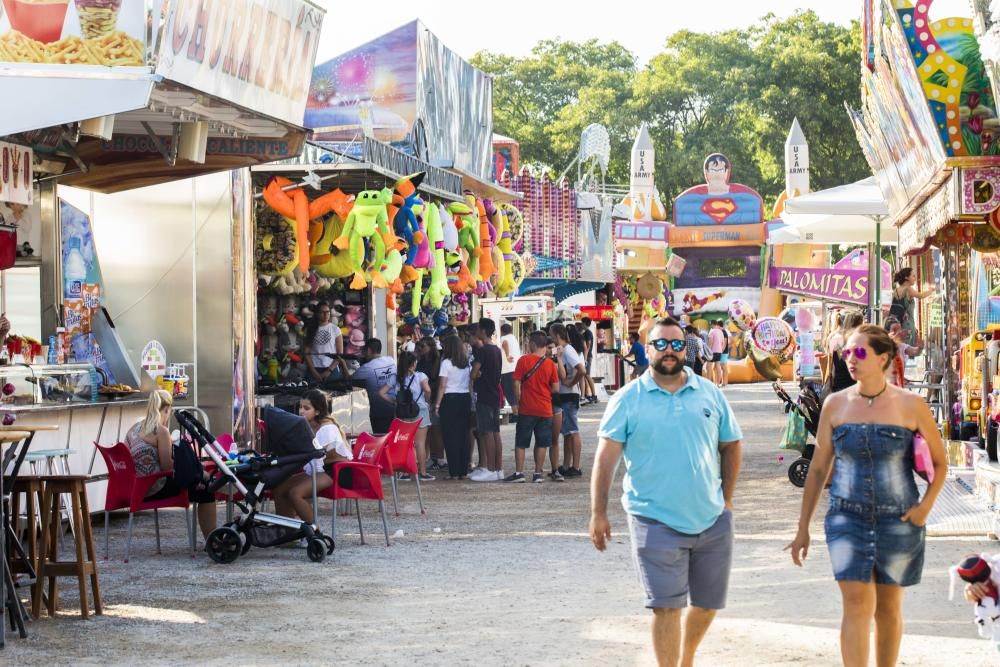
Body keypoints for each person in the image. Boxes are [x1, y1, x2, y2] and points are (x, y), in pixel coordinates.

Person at [786, 324, 947, 667]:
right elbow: (817, 470)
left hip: (900, 519)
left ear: (883, 358)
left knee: (888, 607)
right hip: (847, 518)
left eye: (858, 352)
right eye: (847, 352)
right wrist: (803, 528)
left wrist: (924, 509)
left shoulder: (911, 405)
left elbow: (940, 463)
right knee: (857, 604)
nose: (850, 359)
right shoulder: (835, 404)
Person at [590, 317, 743, 667]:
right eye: (661, 344)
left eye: (676, 344)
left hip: (712, 517)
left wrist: (727, 499)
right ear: (647, 347)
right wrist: (599, 513)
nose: (669, 351)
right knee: (666, 606)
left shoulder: (709, 392)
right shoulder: (628, 399)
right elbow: (606, 458)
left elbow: (731, 445)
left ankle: (686, 656)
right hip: (653, 517)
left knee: (707, 605)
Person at [126, 390, 217, 538]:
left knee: (198, 480)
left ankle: (201, 478)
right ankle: (213, 538)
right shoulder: (160, 431)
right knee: (206, 489)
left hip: (136, 488)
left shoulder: (133, 429)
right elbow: (167, 467)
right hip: (154, 488)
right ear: (167, 410)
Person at [272, 389, 352, 528]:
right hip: (320, 469)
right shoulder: (308, 426)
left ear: (317, 411)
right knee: (279, 489)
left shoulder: (327, 428)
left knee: (295, 493)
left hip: (336, 471)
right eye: (300, 407)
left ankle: (314, 534)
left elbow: (316, 455)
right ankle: (287, 533)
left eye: (306, 408)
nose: (301, 411)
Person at [507, 331, 561, 483]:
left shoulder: (523, 360)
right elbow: (556, 388)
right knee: (542, 442)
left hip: (527, 408)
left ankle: (519, 473)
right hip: (545, 409)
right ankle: (538, 473)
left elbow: (516, 383)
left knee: (521, 442)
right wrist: (544, 392)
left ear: (533, 344)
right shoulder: (550, 364)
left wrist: (517, 401)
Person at [379, 351, 434, 481]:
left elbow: (381, 393)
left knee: (406, 443)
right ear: (414, 363)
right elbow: (427, 390)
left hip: (402, 412)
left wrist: (394, 401)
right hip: (419, 410)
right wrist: (427, 401)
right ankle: (422, 473)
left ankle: (405, 472)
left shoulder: (395, 377)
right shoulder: (421, 376)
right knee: (420, 443)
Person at [434, 335, 472, 480]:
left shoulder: (446, 363)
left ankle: (454, 471)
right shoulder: (466, 363)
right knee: (463, 435)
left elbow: (442, 385)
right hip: (464, 398)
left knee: (450, 436)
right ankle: (463, 469)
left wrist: (437, 404)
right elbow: (469, 384)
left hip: (449, 399)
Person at [470, 319, 504, 482]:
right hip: (494, 394)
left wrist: (477, 375)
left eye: (477, 329)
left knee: (487, 432)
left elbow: (473, 373)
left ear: (482, 331)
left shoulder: (482, 351)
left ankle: (490, 469)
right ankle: (498, 468)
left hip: (484, 394)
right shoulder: (496, 349)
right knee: (495, 432)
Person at [551, 323, 586, 478]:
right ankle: (566, 464)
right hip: (565, 395)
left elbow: (582, 370)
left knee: (573, 430)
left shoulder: (568, 350)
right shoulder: (564, 351)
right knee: (567, 433)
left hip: (570, 395)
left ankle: (576, 466)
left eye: (552, 336)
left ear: (557, 336)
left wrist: (571, 383)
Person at [352, 338, 397, 434]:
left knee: (381, 438)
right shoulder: (391, 360)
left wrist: (342, 363)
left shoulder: (367, 368)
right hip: (396, 408)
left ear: (368, 350)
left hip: (379, 412)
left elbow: (349, 379)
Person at [416, 337, 445, 470]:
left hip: (432, 395)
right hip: (423, 396)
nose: (420, 349)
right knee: (426, 430)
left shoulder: (437, 360)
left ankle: (438, 457)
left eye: (423, 346)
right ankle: (428, 456)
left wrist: (434, 400)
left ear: (430, 347)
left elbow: (438, 380)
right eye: (419, 346)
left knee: (435, 429)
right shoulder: (420, 360)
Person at [303, 301, 346, 385]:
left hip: (331, 369)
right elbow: (306, 353)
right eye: (323, 312)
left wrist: (329, 371)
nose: (326, 314)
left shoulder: (335, 329)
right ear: (317, 314)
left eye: (328, 312)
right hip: (314, 369)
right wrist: (313, 371)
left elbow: (339, 353)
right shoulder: (310, 329)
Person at [889, 268, 932, 345]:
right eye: (913, 276)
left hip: (897, 326)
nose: (915, 278)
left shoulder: (896, 290)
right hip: (907, 326)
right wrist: (932, 290)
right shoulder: (908, 289)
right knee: (908, 351)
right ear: (906, 278)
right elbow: (921, 296)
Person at [827, 311, 865, 394]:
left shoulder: (836, 339)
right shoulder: (857, 342)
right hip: (853, 386)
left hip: (838, 385)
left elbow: (833, 366)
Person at [885, 318, 923, 387]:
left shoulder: (901, 346)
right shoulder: (882, 346)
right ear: (887, 332)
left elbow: (916, 352)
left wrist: (920, 347)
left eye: (899, 329)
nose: (898, 332)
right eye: (894, 330)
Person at [499, 322, 522, 423]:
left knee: (509, 393)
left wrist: (507, 356)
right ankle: (518, 413)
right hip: (516, 369)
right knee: (516, 393)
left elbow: (505, 344)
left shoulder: (504, 338)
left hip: (507, 370)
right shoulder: (514, 338)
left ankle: (516, 414)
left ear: (502, 331)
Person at [577, 318, 598, 404]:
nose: (581, 324)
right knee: (585, 376)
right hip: (586, 357)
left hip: (587, 357)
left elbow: (587, 347)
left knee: (587, 375)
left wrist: (585, 358)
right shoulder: (585, 333)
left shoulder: (588, 333)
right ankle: (587, 394)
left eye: (582, 323)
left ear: (585, 323)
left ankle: (594, 395)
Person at [707, 320, 727, 387]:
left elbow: (710, 343)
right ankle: (718, 383)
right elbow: (722, 342)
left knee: (709, 367)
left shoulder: (711, 331)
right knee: (718, 366)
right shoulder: (721, 332)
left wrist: (708, 351)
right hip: (719, 351)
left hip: (712, 351)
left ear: (712, 324)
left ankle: (709, 383)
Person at [718, 321, 730, 388]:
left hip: (723, 352)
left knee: (724, 367)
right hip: (723, 352)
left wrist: (721, 351)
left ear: (719, 326)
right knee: (722, 367)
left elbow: (725, 343)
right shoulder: (723, 331)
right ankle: (724, 382)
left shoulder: (723, 332)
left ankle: (724, 382)